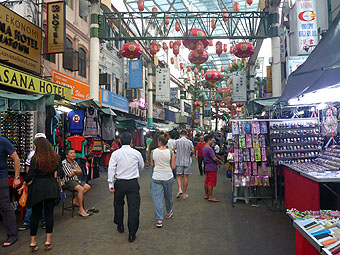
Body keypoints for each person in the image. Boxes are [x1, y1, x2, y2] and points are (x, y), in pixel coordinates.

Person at [18, 137, 60, 251]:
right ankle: (48, 241)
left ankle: (33, 241)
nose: (34, 147)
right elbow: (57, 172)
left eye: (35, 145)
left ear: (38, 146)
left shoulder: (35, 158)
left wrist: (25, 183)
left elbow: (30, 175)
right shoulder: (55, 157)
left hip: (38, 188)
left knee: (35, 214)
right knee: (49, 214)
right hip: (51, 187)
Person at [108, 132, 144, 243]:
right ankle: (132, 233)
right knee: (133, 207)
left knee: (118, 204)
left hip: (119, 183)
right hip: (133, 183)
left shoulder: (116, 154)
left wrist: (111, 183)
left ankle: (120, 225)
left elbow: (111, 168)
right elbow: (141, 166)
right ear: (131, 141)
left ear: (120, 141)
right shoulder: (136, 153)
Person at [19, 133, 47, 231]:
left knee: (43, 201)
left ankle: (43, 221)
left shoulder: (48, 154)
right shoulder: (32, 154)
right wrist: (30, 180)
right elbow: (28, 169)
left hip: (43, 181)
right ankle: (27, 221)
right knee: (31, 201)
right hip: (35, 181)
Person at [150, 135, 176, 228]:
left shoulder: (153, 152)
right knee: (168, 196)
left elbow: (152, 165)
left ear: (159, 142)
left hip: (156, 177)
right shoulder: (171, 152)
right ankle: (169, 212)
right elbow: (173, 167)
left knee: (157, 199)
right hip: (168, 176)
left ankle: (159, 220)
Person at [0, 136, 20, 247]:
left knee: (5, 206)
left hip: (1, 179)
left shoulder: (3, 141)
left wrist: (17, 177)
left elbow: (16, 159)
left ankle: (12, 235)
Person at [61, 148, 92, 217]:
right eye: (71, 153)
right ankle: (81, 209)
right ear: (67, 155)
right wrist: (76, 171)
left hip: (75, 180)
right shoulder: (64, 163)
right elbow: (69, 175)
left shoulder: (74, 162)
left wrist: (73, 171)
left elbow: (80, 171)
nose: (73, 155)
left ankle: (75, 200)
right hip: (67, 182)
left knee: (87, 187)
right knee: (80, 189)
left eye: (74, 153)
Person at [173, 130, 194, 200]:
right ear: (186, 135)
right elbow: (193, 151)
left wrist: (175, 153)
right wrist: (189, 153)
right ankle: (184, 193)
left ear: (180, 135)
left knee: (179, 175)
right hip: (187, 161)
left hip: (179, 161)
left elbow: (173, 149)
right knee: (186, 177)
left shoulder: (177, 141)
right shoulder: (189, 142)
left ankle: (179, 189)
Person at [203, 135, 223, 202]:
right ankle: (210, 197)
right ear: (209, 140)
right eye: (211, 140)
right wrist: (219, 161)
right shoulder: (209, 149)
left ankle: (206, 195)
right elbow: (214, 158)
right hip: (212, 167)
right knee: (211, 182)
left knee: (207, 181)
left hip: (207, 166)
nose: (212, 142)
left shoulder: (204, 148)